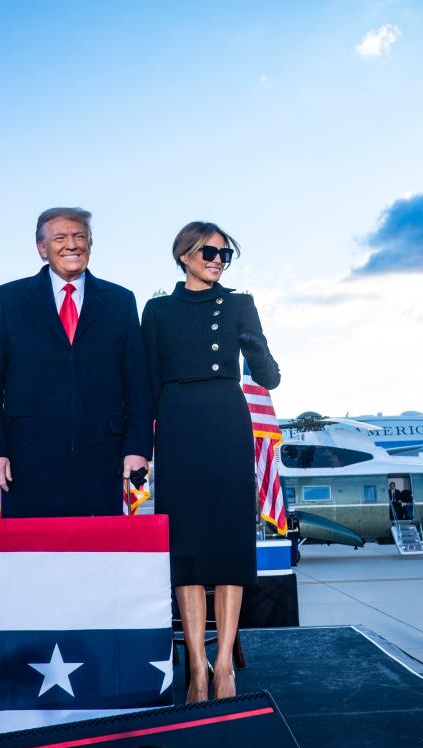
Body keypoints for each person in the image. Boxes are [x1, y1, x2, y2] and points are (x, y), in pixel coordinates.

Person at [142, 220, 280, 703]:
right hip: (178, 427)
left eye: (225, 254)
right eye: (209, 252)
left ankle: (224, 669)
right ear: (184, 255)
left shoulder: (240, 305)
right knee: (188, 550)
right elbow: (146, 384)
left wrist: (253, 342)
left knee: (226, 545)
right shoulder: (157, 310)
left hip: (226, 421)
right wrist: (141, 447)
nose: (218, 260)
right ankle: (196, 667)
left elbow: (269, 376)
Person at [0, 207, 151, 517]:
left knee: (98, 556)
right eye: (60, 237)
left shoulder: (121, 301)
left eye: (80, 236)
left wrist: (137, 447)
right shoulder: (8, 299)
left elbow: (136, 383)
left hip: (102, 459)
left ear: (90, 244)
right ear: (42, 249)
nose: (72, 244)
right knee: (31, 557)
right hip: (25, 460)